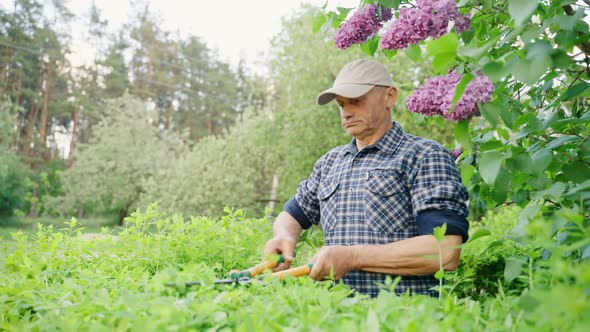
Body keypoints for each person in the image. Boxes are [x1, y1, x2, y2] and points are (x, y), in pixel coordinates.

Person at [263, 59, 470, 297]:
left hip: (404, 319)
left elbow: (444, 250)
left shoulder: (425, 156)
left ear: (389, 97)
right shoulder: (330, 163)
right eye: (341, 105)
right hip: (336, 317)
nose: (347, 112)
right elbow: (291, 215)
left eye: (356, 101)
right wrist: (284, 236)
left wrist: (352, 257)